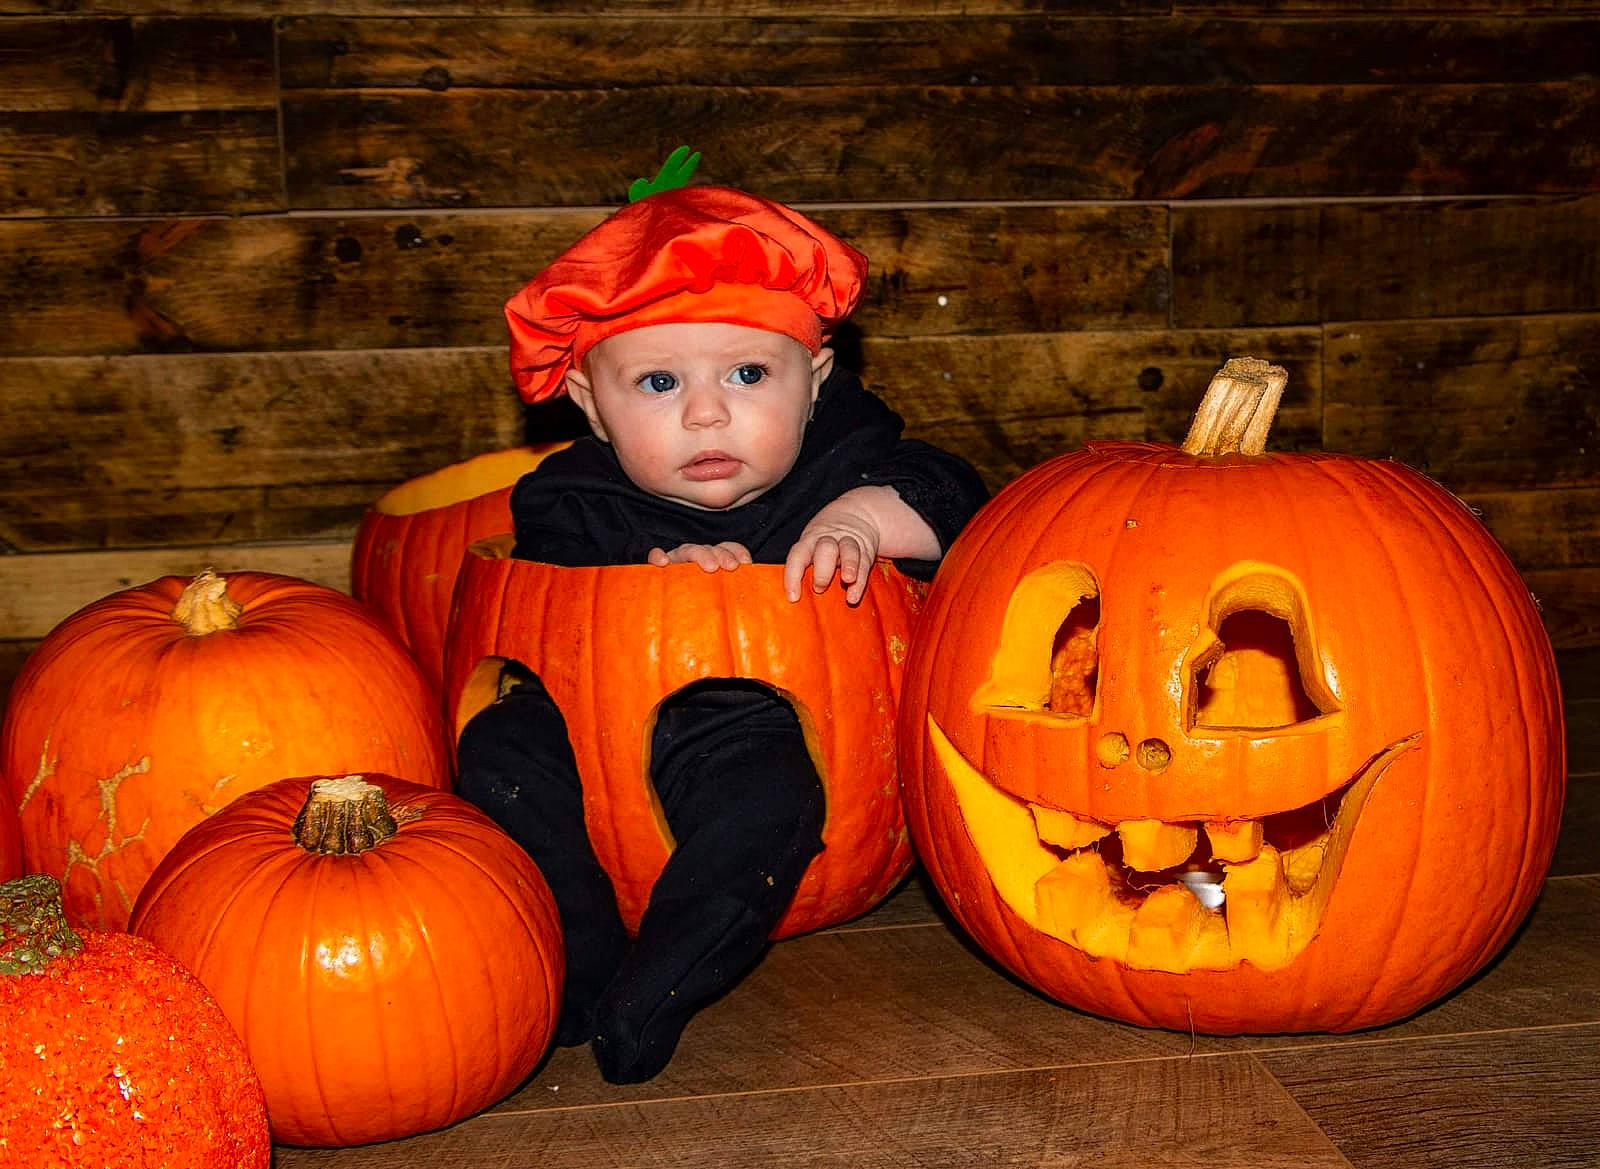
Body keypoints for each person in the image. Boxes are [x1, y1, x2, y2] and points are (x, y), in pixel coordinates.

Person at [455, 182, 988, 1083]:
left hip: (756, 730)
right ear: (590, 403)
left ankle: (663, 979)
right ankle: (578, 956)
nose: (707, 414)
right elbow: (547, 580)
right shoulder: (573, 495)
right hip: (590, 730)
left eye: (748, 374)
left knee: (770, 803)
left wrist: (867, 518)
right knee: (501, 748)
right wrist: (642, 568)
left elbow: (964, 505)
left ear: (813, 380)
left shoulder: (848, 458)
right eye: (659, 383)